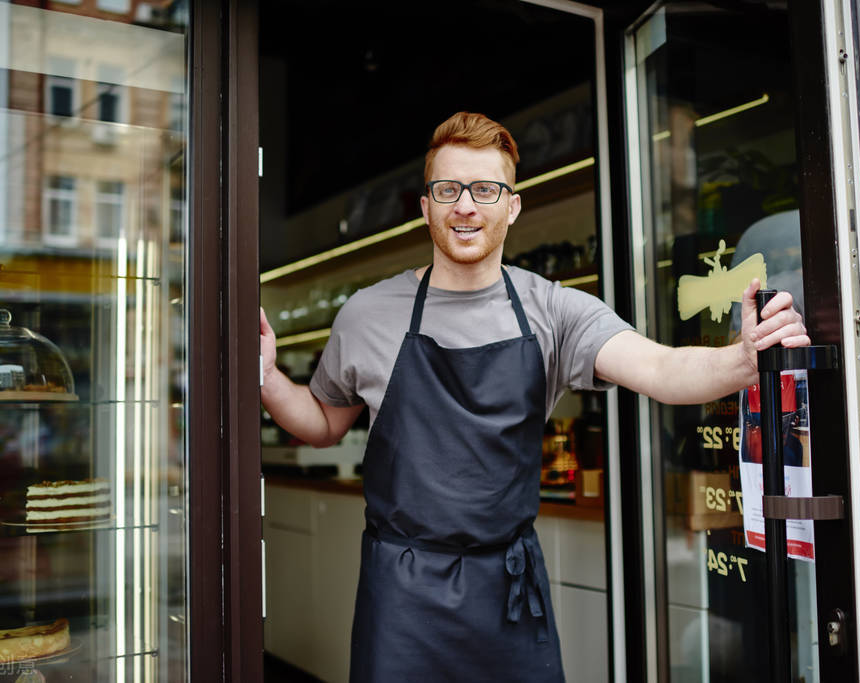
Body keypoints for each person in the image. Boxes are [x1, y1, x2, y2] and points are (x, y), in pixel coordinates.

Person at [258, 112, 808, 682]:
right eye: (447, 189)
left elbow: (661, 368)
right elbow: (321, 423)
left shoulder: (552, 310)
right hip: (402, 592)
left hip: (509, 592)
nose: (465, 206)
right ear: (425, 206)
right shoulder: (368, 314)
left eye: (485, 190)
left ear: (511, 205)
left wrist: (741, 359)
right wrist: (268, 377)